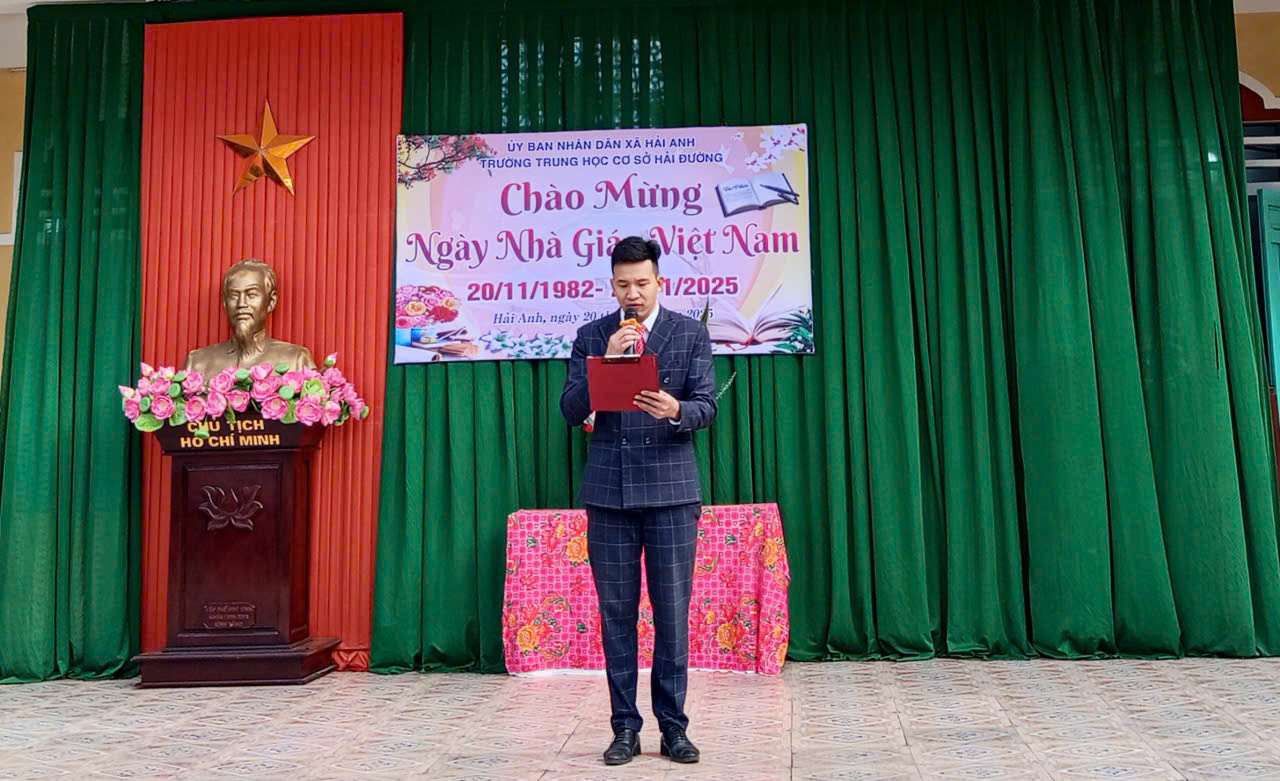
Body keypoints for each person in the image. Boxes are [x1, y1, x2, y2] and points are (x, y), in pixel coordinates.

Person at [560, 236, 717, 766]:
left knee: (671, 613)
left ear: (659, 282)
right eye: (624, 285)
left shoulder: (689, 333)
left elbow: (706, 406)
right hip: (610, 494)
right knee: (616, 615)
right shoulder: (591, 336)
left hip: (671, 492)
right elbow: (570, 410)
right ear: (612, 286)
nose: (633, 293)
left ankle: (674, 728)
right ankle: (624, 728)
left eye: (642, 283)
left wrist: (676, 409)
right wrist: (606, 361)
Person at [186, 259, 315, 376]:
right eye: (234, 296)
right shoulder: (197, 362)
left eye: (251, 295)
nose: (241, 304)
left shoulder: (296, 359)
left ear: (271, 302)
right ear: (225, 303)